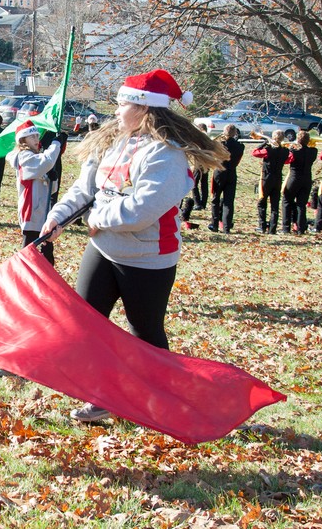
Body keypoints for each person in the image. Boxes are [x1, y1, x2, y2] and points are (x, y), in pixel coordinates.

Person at [39, 69, 228, 422]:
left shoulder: (167, 156)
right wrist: (58, 216)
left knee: (145, 332)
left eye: (122, 103)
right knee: (88, 324)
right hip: (104, 248)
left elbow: (141, 210)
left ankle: (164, 400)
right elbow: (85, 190)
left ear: (144, 108)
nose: (116, 110)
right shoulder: (112, 141)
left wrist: (96, 219)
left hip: (148, 256)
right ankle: (104, 396)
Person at [8, 120, 66, 263]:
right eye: (32, 136)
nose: (36, 139)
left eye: (36, 136)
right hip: (32, 212)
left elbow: (51, 189)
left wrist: (53, 178)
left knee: (47, 254)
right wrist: (56, 144)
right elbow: (45, 162)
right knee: (29, 254)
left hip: (43, 212)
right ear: (23, 140)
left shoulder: (35, 156)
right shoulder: (24, 157)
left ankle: (46, 282)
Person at [251, 130, 293, 234]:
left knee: (262, 202)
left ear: (273, 138)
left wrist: (264, 143)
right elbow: (288, 161)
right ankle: (272, 228)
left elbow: (255, 153)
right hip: (278, 179)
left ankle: (262, 226)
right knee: (275, 205)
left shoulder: (268, 150)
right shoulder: (285, 151)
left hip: (266, 178)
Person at [208, 124, 245, 233]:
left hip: (219, 172)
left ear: (224, 132)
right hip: (232, 173)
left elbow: (210, 152)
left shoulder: (219, 144)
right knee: (229, 201)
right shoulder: (240, 146)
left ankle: (214, 225)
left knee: (215, 199)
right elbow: (238, 160)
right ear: (235, 133)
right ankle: (226, 227)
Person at [281, 130, 318, 234]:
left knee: (287, 201)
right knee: (301, 204)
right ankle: (301, 228)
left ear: (298, 139)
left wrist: (289, 149)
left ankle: (285, 228)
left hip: (294, 178)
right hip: (307, 180)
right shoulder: (313, 151)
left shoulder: (294, 151)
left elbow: (286, 160)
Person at [189, 122, 210, 212]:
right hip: (207, 163)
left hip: (199, 163)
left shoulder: (199, 138)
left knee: (194, 184)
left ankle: (197, 203)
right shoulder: (208, 138)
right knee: (204, 183)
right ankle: (203, 203)